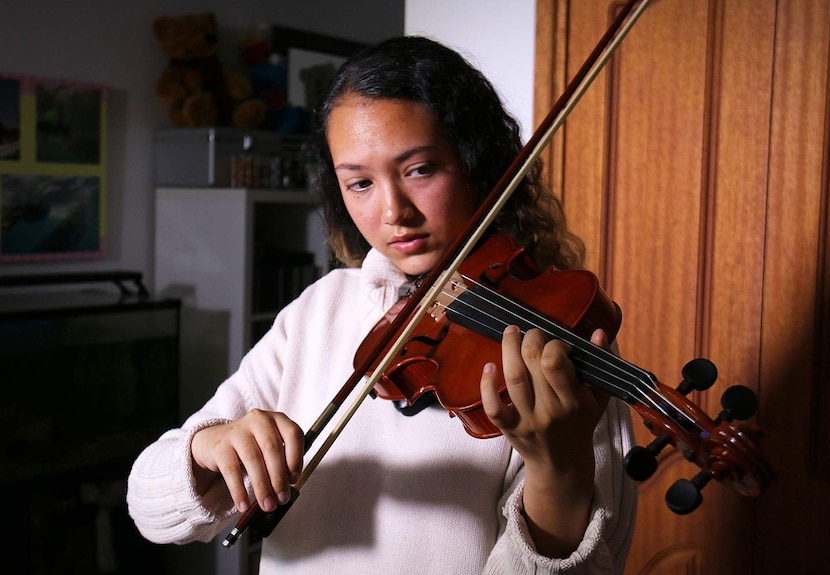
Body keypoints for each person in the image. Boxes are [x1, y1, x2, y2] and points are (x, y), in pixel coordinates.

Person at [128, 36, 638, 574]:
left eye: (419, 169)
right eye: (360, 183)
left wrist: (559, 471)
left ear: (477, 164)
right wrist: (212, 446)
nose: (394, 212)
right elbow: (150, 510)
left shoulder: (553, 338)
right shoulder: (320, 309)